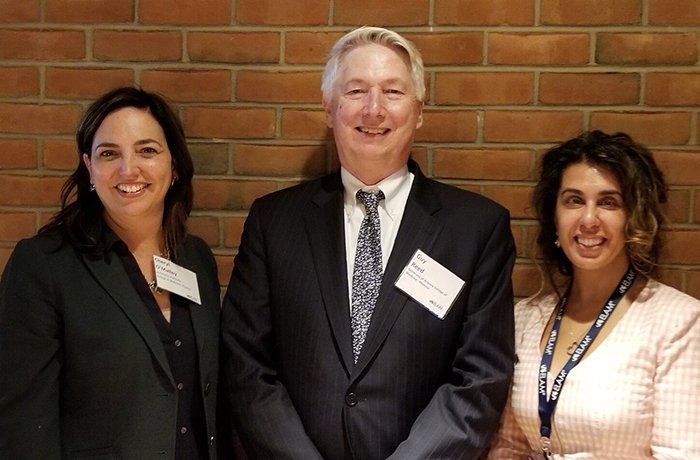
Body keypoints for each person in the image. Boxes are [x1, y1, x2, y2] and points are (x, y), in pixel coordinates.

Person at [221, 26, 516, 459]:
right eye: (356, 90)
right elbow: (246, 364)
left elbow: (479, 380)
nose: (374, 109)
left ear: (418, 111)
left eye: (393, 92)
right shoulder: (275, 221)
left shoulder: (475, 228)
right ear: (329, 107)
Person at [0, 87, 226, 459]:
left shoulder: (195, 258)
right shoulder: (44, 265)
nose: (128, 169)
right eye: (109, 154)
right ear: (89, 168)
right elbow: (24, 426)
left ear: (174, 166)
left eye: (147, 150)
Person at [487, 130, 700, 459]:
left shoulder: (678, 323)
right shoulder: (525, 319)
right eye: (574, 200)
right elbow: (510, 445)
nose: (588, 219)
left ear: (635, 218)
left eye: (608, 202)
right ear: (554, 218)